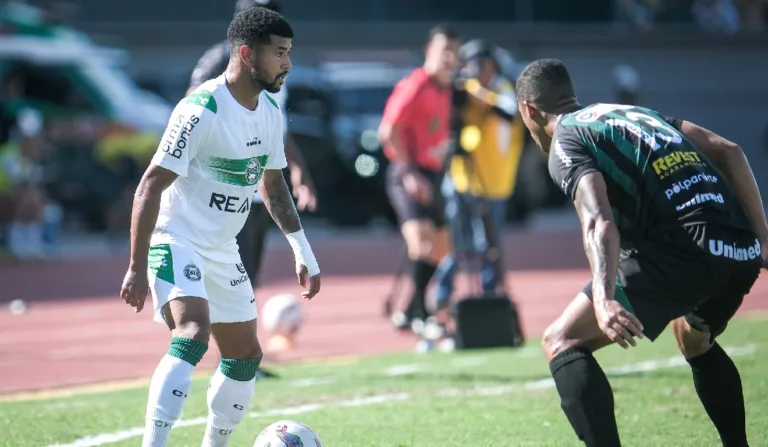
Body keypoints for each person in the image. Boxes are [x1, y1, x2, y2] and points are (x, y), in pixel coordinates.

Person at [515, 58, 767, 446]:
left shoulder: (566, 138)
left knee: (561, 340)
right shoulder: (633, 114)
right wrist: (763, 239)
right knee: (693, 338)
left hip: (685, 250)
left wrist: (603, 299)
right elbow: (728, 150)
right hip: (739, 247)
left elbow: (598, 221)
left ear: (529, 110)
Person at [119, 7, 321, 447]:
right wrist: (136, 265)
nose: (288, 63)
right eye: (279, 53)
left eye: (289, 52)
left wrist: (302, 250)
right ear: (247, 54)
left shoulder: (270, 109)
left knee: (245, 355)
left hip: (223, 247)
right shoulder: (201, 108)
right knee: (193, 334)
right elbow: (150, 184)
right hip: (177, 237)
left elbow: (273, 186)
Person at [188, 0, 317, 288]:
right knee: (224, 282)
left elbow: (275, 125)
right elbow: (193, 113)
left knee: (247, 279)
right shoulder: (221, 59)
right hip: (222, 192)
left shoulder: (276, 68)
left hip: (258, 192)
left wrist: (298, 168)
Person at [377, 24, 461, 333]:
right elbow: (387, 131)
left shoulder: (447, 88)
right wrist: (410, 174)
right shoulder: (416, 84)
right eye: (444, 50)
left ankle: (411, 310)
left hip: (434, 174)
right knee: (422, 243)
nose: (449, 57)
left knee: (442, 248)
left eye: (454, 52)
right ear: (429, 51)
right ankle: (420, 315)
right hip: (408, 173)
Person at [433, 39, 525, 310]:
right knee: (457, 242)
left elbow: (509, 112)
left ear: (491, 65)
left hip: (493, 183)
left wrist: (478, 96)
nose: (475, 71)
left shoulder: (502, 89)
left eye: (479, 65)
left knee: (487, 245)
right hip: (462, 177)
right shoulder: (465, 89)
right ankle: (442, 293)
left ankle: (489, 296)